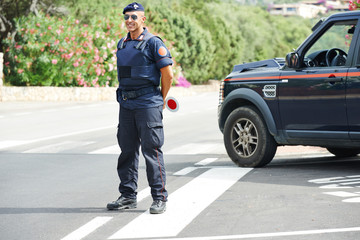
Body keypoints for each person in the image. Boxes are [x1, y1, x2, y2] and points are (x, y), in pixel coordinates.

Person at [107, 2, 173, 214]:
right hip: (126, 104)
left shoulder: (154, 43)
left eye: (134, 17)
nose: (129, 20)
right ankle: (128, 196)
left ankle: (159, 198)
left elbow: (168, 74)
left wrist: (161, 99)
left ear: (143, 19)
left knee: (151, 151)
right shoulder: (122, 44)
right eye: (126, 17)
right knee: (127, 151)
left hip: (147, 103)